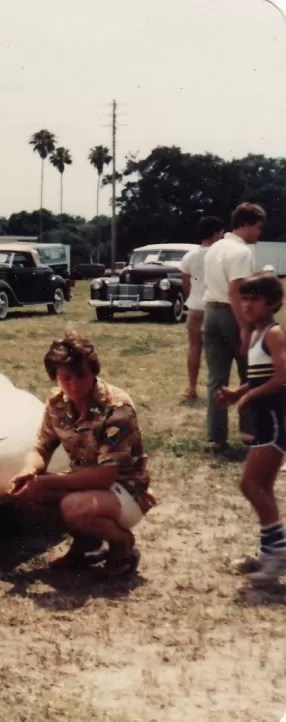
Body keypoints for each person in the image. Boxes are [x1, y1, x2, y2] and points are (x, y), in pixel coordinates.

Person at [8, 331, 155, 577]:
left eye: (81, 376)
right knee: (24, 493)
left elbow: (105, 476)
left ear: (94, 372)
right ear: (54, 376)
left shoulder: (116, 407)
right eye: (65, 378)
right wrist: (30, 470)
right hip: (85, 481)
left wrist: (47, 481)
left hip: (126, 490)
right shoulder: (57, 402)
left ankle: (122, 544)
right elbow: (42, 446)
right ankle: (86, 542)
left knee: (72, 506)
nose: (73, 385)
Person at [214, 273, 286, 582]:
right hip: (264, 419)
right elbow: (260, 377)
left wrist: (250, 397)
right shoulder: (257, 335)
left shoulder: (274, 334)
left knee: (251, 485)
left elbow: (282, 377)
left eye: (255, 299)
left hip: (275, 418)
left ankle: (279, 554)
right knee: (262, 486)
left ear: (274, 303)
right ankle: (270, 553)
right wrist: (238, 392)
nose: (247, 305)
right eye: (245, 298)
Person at [202, 202, 264, 456]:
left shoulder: (215, 248)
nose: (260, 233)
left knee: (216, 379)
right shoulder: (241, 253)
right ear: (246, 224)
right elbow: (235, 292)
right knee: (250, 375)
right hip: (231, 313)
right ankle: (250, 434)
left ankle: (216, 438)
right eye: (258, 228)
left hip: (210, 313)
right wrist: (245, 328)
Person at [179, 216, 223, 399]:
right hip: (217, 305)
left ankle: (191, 387)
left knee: (194, 347)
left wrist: (193, 296)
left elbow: (185, 283)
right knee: (218, 349)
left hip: (196, 305)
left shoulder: (190, 256)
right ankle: (219, 387)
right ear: (215, 233)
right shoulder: (221, 254)